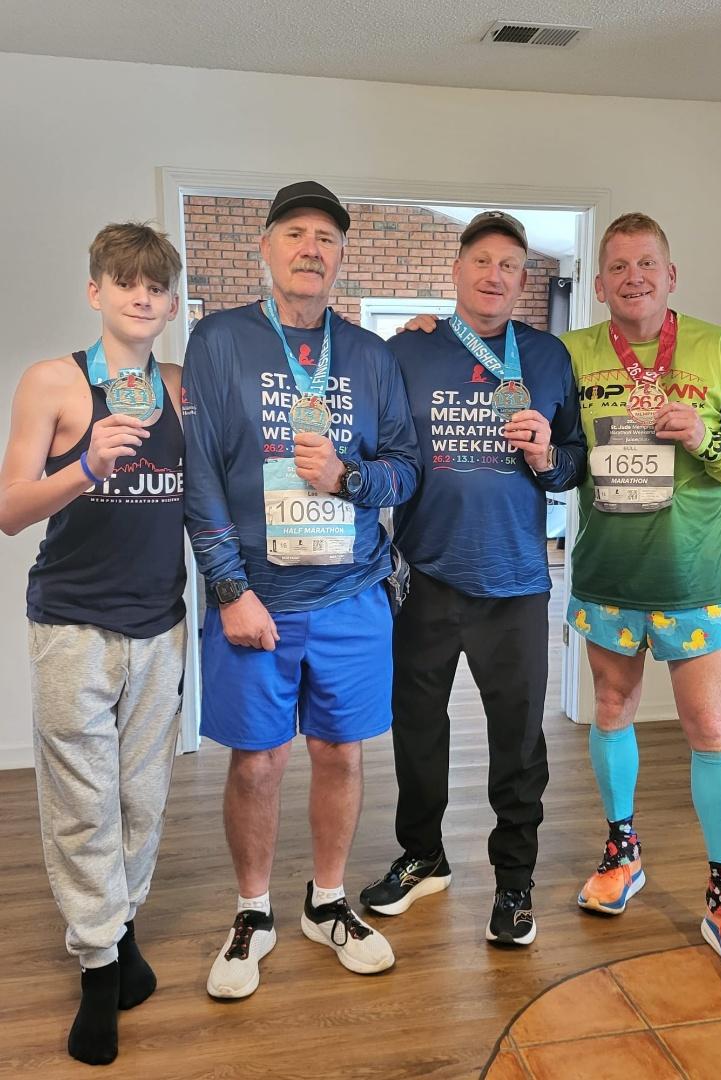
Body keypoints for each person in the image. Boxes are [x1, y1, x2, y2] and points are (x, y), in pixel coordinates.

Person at [182, 180, 421, 998]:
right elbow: (201, 476)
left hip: (353, 594)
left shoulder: (370, 355)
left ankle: (326, 901)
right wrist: (227, 589)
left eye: (326, 236)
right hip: (256, 597)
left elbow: (405, 471)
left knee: (341, 755)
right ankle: (253, 913)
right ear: (267, 247)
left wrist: (351, 476)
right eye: (296, 233)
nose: (311, 248)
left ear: (341, 256)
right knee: (256, 764)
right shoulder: (218, 341)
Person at [562, 212, 721, 976]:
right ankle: (622, 855)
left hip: (691, 583)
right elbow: (518, 410)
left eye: (647, 264)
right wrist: (427, 337)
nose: (634, 277)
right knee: (613, 710)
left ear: (671, 275)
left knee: (709, 729)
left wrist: (707, 440)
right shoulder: (573, 351)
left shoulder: (717, 349)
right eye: (618, 266)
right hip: (605, 577)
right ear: (599, 284)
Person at [360, 211, 587, 944]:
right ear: (457, 270)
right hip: (424, 575)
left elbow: (575, 463)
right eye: (482, 261)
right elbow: (380, 450)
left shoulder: (549, 357)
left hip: (518, 582)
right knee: (418, 729)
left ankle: (515, 884)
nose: (495, 276)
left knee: (519, 741)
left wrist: (551, 455)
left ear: (524, 280)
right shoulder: (408, 353)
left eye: (510, 266)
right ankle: (424, 855)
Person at [0, 223, 186, 1065]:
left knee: (141, 797)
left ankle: (123, 930)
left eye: (155, 286)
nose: (141, 296)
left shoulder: (181, 387)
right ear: (96, 293)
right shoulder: (53, 382)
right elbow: (8, 511)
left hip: (161, 622)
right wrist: (85, 467)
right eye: (125, 282)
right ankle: (100, 970)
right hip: (73, 623)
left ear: (171, 303)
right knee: (82, 803)